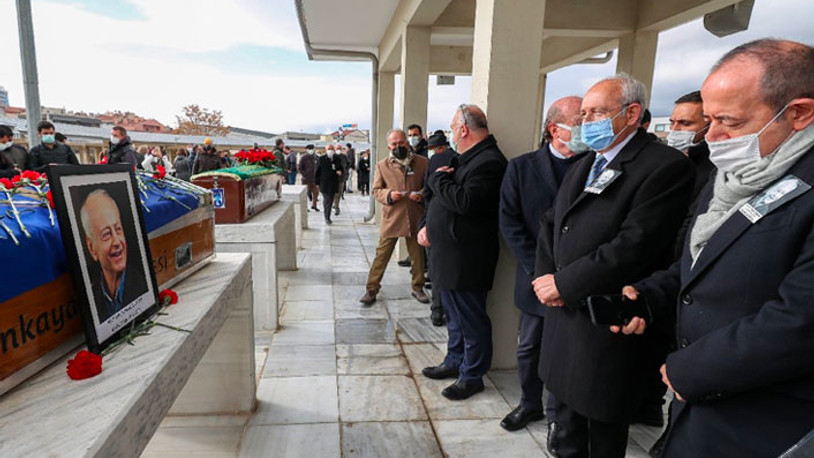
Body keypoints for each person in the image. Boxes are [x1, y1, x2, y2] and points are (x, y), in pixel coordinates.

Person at [623, 39, 814, 458]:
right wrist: (648, 295)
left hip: (766, 424)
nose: (712, 137)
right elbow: (707, 261)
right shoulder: (736, 171)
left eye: (728, 121)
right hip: (699, 414)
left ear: (798, 113)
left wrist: (690, 369)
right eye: (708, 119)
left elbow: (800, 320)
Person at [533, 75, 694, 458]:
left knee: (603, 432)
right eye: (584, 114)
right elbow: (552, 221)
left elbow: (634, 246)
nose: (587, 121)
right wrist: (545, 278)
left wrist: (565, 283)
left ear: (632, 113)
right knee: (567, 428)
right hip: (564, 315)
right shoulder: (586, 162)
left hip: (604, 321)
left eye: (597, 112)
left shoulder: (662, 167)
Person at [498, 96, 588, 438]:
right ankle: (529, 402)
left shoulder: (595, 164)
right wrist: (539, 272)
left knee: (566, 354)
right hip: (535, 279)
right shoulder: (521, 167)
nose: (588, 130)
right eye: (580, 123)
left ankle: (557, 418)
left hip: (578, 279)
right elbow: (509, 222)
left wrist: (570, 275)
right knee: (529, 347)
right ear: (555, 129)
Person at [418, 104, 507, 401]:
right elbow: (441, 203)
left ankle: (472, 375)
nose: (453, 133)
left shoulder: (489, 162)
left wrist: (438, 180)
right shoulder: (465, 159)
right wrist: (428, 225)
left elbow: (467, 202)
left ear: (464, 129)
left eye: (454, 128)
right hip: (448, 254)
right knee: (454, 316)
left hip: (467, 258)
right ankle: (454, 361)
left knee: (471, 319)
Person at [359, 129, 430, 306]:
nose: (398, 147)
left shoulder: (422, 163)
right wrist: (389, 195)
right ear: (389, 146)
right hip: (393, 216)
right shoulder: (382, 165)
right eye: (394, 144)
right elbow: (376, 190)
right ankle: (371, 289)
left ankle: (418, 287)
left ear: (407, 142)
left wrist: (420, 194)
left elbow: (429, 186)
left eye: (401, 142)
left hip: (415, 215)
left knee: (418, 255)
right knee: (382, 254)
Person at [80, 189, 144, 322]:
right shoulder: (92, 301)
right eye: (106, 234)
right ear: (92, 248)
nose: (117, 242)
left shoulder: (142, 285)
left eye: (118, 229)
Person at [423, 131, 456, 326]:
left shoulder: (437, 160)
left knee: (436, 267)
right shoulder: (459, 158)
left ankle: (437, 310)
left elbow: (428, 191)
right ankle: (448, 310)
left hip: (436, 218)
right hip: (456, 223)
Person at [314, 144, 342, 225]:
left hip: (333, 183)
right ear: (326, 150)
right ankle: (327, 217)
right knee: (327, 200)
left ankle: (328, 215)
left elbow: (341, 168)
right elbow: (317, 171)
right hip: (324, 183)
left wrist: (340, 171)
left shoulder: (337, 159)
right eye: (329, 149)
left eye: (332, 149)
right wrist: (317, 183)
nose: (330, 150)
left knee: (330, 200)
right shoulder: (321, 159)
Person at [298, 144, 320, 211]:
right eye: (309, 149)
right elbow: (299, 168)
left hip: (315, 179)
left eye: (312, 149)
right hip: (306, 179)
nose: (310, 150)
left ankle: (314, 205)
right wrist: (304, 174)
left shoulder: (316, 157)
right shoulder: (304, 158)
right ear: (307, 150)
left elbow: (319, 167)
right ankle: (305, 207)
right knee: (305, 194)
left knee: (316, 193)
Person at [333, 144, 349, 215]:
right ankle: (336, 207)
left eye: (340, 148)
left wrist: (345, 171)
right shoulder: (332, 157)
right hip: (333, 178)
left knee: (339, 193)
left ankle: (336, 204)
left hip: (341, 178)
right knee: (334, 193)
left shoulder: (344, 157)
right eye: (337, 148)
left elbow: (348, 164)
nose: (338, 149)